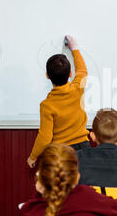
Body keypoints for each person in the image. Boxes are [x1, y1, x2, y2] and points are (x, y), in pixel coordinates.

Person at [27, 35, 89, 168]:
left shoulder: (47, 105)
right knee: (82, 187)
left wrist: (33, 157)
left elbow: (44, 138)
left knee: (63, 187)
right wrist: (74, 49)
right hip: (84, 149)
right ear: (70, 73)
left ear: (47, 76)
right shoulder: (77, 89)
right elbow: (83, 71)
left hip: (61, 153)